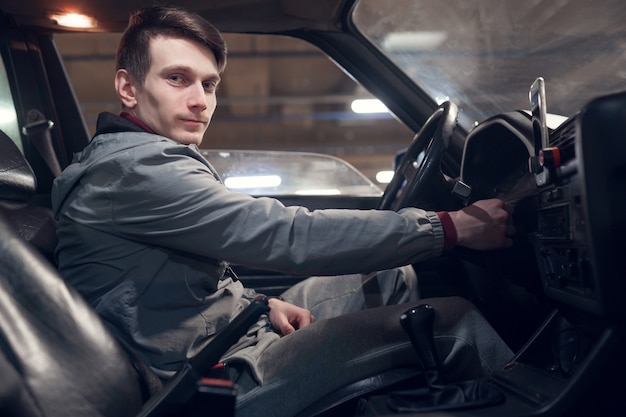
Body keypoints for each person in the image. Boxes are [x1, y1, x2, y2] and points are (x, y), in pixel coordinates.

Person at [51, 6, 516, 417]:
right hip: (211, 383)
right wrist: (451, 226)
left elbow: (180, 283)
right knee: (455, 322)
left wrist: (259, 305)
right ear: (127, 89)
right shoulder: (138, 170)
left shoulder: (135, 158)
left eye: (209, 84)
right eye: (177, 79)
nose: (200, 101)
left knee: (390, 275)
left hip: (227, 340)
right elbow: (289, 235)